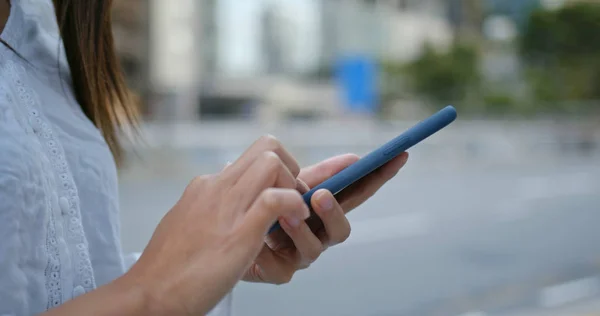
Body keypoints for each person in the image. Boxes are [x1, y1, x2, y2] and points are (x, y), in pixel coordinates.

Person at [0, 0, 409, 315]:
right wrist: (152, 292)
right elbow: (139, 296)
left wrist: (209, 262)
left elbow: (78, 286)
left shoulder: (44, 48)